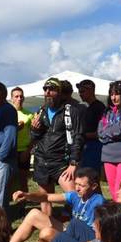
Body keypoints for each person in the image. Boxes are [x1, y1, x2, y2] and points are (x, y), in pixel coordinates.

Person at [10, 168, 104, 242]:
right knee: (34, 214)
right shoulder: (75, 195)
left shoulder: (99, 203)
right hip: (71, 233)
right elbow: (46, 197)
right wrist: (27, 195)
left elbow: (98, 236)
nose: (77, 188)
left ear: (94, 186)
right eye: (76, 184)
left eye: (82, 186)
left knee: (46, 233)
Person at [32, 77, 86, 216]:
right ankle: (48, 230)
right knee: (44, 199)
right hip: (42, 160)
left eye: (52, 89)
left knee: (74, 196)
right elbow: (36, 138)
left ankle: (79, 225)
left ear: (60, 92)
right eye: (45, 89)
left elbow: (78, 137)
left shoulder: (70, 111)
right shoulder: (41, 110)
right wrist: (34, 130)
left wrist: (73, 163)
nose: (48, 92)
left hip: (61, 161)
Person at [98, 80, 121, 200]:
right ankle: (119, 218)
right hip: (108, 157)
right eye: (112, 94)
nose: (114, 97)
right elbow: (100, 133)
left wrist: (108, 131)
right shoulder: (106, 112)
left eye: (117, 94)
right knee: (114, 194)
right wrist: (111, 132)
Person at [77, 79, 106, 171]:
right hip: (87, 146)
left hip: (95, 147)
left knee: (90, 176)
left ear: (91, 90)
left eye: (82, 91)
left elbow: (102, 132)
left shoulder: (99, 107)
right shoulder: (89, 107)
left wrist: (82, 135)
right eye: (79, 92)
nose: (80, 94)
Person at [10, 87, 34, 196]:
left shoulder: (29, 114)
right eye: (16, 96)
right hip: (10, 150)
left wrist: (28, 150)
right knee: (9, 179)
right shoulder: (8, 114)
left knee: (23, 180)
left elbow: (34, 135)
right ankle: (7, 205)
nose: (19, 98)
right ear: (11, 99)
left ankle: (23, 206)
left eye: (21, 96)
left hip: (24, 150)